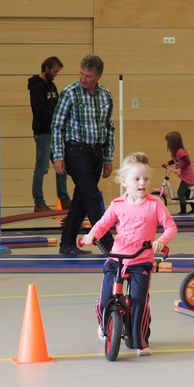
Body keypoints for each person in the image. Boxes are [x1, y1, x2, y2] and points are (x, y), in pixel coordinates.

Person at [81, 152, 177, 357]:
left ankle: (141, 340)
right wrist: (92, 234)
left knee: (139, 300)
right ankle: (104, 323)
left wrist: (161, 241)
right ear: (124, 181)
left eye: (146, 178)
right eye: (137, 179)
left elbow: (170, 227)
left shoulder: (155, 204)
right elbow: (103, 223)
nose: (142, 182)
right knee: (106, 296)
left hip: (141, 261)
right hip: (117, 258)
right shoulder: (117, 204)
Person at [51, 54, 115, 255]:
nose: (83, 79)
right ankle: (107, 243)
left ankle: (67, 244)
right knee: (93, 197)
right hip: (75, 151)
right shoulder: (69, 93)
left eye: (88, 76)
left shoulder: (106, 95)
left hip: (96, 152)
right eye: (81, 74)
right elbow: (56, 126)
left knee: (81, 199)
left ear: (98, 76)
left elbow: (109, 128)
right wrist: (58, 156)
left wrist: (108, 157)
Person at [28, 56, 70, 212]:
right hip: (43, 133)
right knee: (42, 167)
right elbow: (39, 111)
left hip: (54, 132)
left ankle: (64, 199)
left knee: (61, 166)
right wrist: (56, 120)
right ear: (46, 68)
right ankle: (39, 202)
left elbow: (58, 106)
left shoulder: (52, 86)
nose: (56, 74)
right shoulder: (37, 87)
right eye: (54, 71)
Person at [163, 131, 194, 214]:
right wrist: (168, 163)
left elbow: (187, 162)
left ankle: (183, 211)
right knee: (187, 194)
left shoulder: (180, 151)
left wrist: (180, 169)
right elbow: (176, 160)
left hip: (188, 176)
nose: (167, 144)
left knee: (180, 193)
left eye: (168, 142)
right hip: (185, 176)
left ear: (173, 142)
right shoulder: (177, 152)